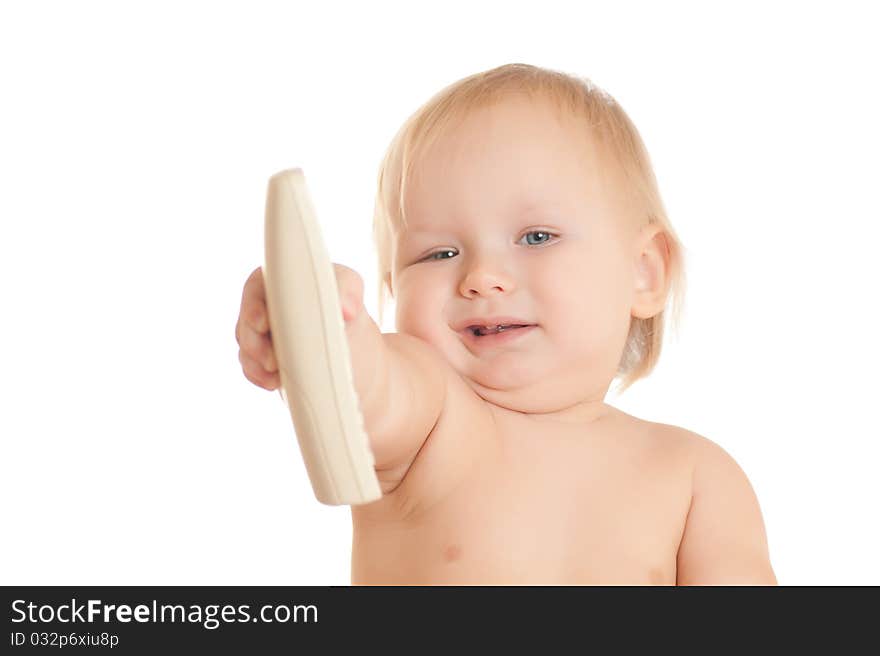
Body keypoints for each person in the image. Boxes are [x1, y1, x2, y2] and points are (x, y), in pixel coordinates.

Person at [235, 63, 777, 585]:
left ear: (643, 272)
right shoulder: (436, 422)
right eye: (439, 253)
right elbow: (362, 395)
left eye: (536, 237)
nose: (482, 277)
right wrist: (318, 323)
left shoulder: (694, 476)